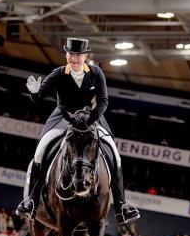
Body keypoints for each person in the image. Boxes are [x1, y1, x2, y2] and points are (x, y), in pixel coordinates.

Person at [15, 37, 140, 224]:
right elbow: (40, 97)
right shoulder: (58, 73)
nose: (74, 58)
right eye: (71, 54)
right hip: (64, 117)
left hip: (92, 117)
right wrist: (34, 92)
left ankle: (122, 205)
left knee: (115, 154)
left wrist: (90, 118)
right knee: (41, 151)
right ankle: (31, 200)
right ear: (66, 55)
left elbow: (103, 101)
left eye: (79, 55)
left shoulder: (96, 73)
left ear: (85, 56)